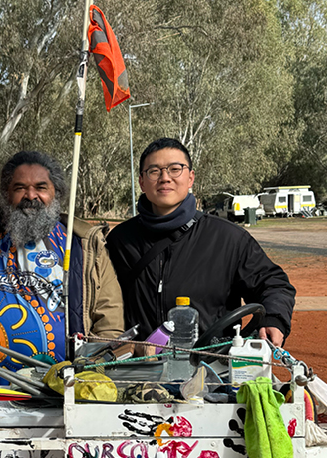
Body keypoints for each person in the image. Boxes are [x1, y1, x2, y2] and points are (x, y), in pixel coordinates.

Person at [0, 150, 124, 386]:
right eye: (20, 187)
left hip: (66, 387)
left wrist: (97, 370)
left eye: (41, 187)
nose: (30, 195)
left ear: (56, 193)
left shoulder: (83, 244)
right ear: (6, 194)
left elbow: (109, 317)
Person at [106, 138, 295, 347]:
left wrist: (273, 318)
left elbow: (273, 284)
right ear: (142, 182)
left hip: (211, 366)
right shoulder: (119, 241)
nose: (165, 178)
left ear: (190, 178)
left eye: (175, 169)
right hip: (138, 368)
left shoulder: (227, 238)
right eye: (154, 171)